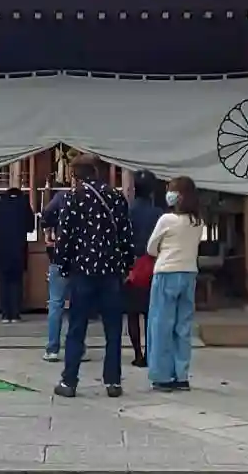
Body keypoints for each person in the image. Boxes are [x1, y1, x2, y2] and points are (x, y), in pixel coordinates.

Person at [52, 156, 136, 399]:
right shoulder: (115, 197)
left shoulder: (72, 198)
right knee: (113, 329)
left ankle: (69, 381)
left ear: (75, 175)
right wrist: (127, 264)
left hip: (82, 271)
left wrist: (63, 266)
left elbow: (65, 236)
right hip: (111, 272)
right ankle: (113, 381)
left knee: (77, 327)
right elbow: (125, 235)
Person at [145, 176, 203, 391]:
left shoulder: (166, 220)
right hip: (189, 273)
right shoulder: (197, 222)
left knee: (161, 325)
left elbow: (151, 248)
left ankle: (162, 375)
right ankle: (181, 375)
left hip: (166, 272)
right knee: (183, 327)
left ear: (178, 195)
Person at [124, 170, 166, 368]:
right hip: (153, 265)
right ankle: (150, 352)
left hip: (133, 266)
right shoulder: (158, 214)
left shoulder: (128, 211)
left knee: (133, 314)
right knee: (152, 313)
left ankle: (137, 353)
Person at [0, 186, 34, 324]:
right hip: (18, 247)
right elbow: (30, 227)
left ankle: (5, 314)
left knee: (3, 281)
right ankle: (15, 314)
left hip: (1, 247)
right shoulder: (24, 204)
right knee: (17, 281)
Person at [39, 187, 69, 361]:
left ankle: (52, 348)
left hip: (59, 256)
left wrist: (48, 233)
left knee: (56, 303)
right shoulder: (90, 199)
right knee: (78, 305)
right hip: (81, 259)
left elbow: (45, 215)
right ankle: (77, 347)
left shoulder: (61, 197)